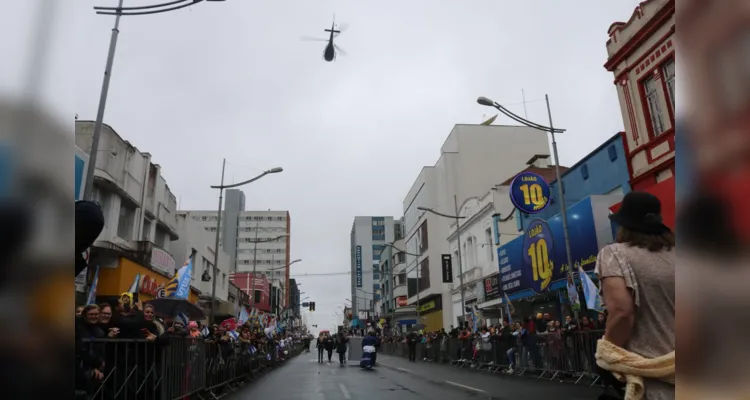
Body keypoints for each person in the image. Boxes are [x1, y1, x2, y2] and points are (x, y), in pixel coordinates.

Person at [595, 191, 675, 400]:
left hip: (654, 381)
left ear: (624, 225)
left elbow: (622, 312)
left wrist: (607, 357)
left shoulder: (614, 254)